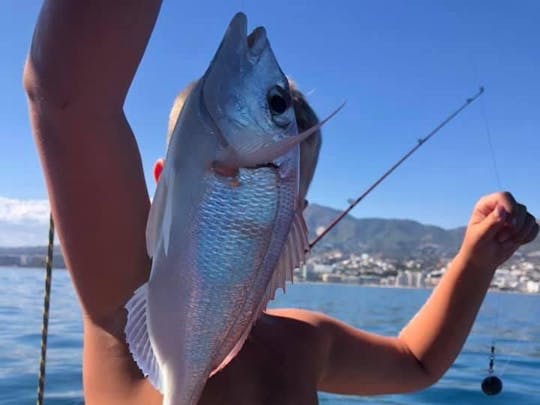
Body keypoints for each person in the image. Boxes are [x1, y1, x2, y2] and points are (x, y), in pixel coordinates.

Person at [23, 2, 538, 405]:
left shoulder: (302, 340)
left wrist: (476, 256)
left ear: (296, 212)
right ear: (163, 180)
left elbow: (415, 362)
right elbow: (69, 97)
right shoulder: (125, 300)